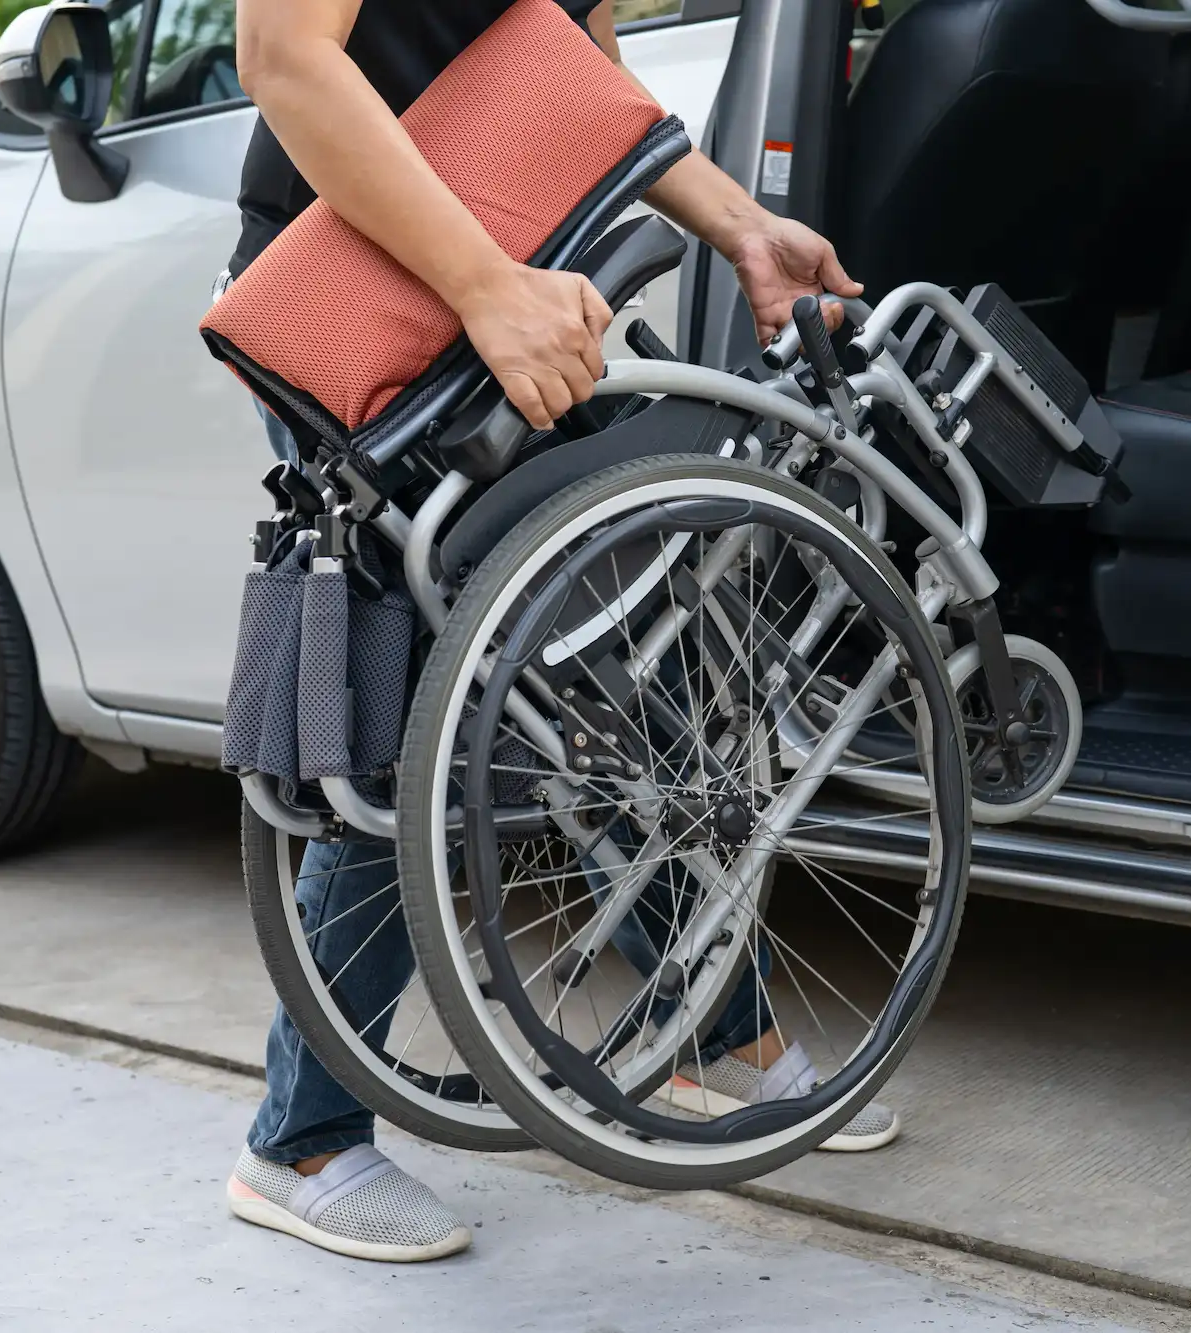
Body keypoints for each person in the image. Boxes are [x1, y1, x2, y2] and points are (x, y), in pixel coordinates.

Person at [219, 0, 897, 1264]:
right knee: (423, 721)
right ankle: (298, 1139)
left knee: (619, 656)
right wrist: (481, 286)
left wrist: (741, 226)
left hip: (511, 268)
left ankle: (709, 1028)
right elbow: (284, 59)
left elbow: (564, 54)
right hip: (358, 282)